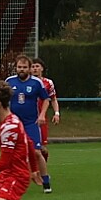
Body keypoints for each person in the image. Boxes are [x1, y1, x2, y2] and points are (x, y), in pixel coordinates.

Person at [3, 55, 53, 192]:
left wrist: (42, 115)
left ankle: (46, 181)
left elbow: (46, 99)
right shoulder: (9, 81)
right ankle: (10, 181)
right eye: (19, 67)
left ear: (29, 69)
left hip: (31, 123)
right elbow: (3, 99)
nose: (22, 69)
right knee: (11, 153)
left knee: (36, 152)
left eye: (24, 67)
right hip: (15, 123)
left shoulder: (36, 83)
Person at [29, 59, 59, 193]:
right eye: (33, 66)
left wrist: (56, 113)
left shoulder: (48, 83)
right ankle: (39, 174)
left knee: (43, 150)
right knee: (33, 149)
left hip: (41, 121)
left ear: (42, 68)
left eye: (37, 66)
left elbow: (52, 99)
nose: (35, 68)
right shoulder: (27, 82)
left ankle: (41, 170)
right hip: (28, 120)